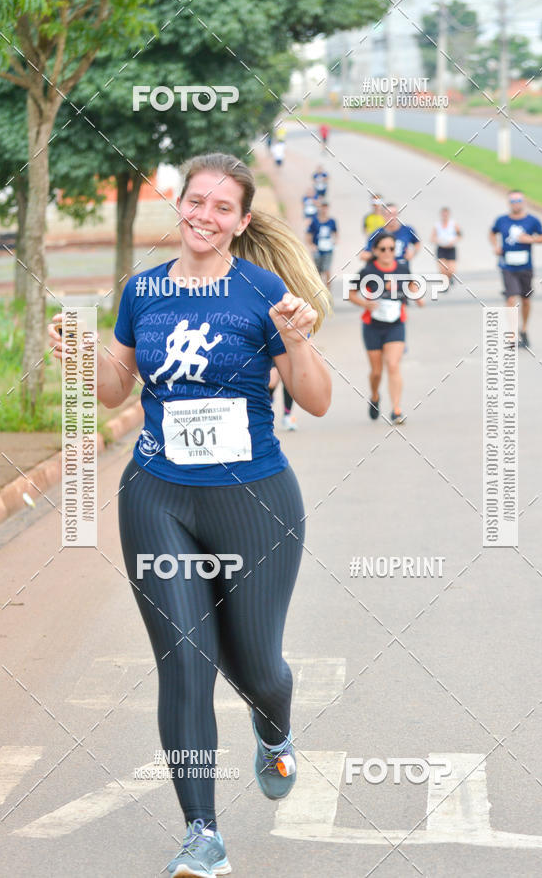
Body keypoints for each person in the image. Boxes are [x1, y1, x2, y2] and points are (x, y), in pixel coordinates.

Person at [48, 152, 332, 878]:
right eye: (195, 201)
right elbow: (116, 390)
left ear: (239, 223)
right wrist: (82, 357)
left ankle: (274, 729)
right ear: (180, 204)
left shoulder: (263, 291)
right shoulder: (142, 291)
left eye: (221, 208)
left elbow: (319, 398)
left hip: (253, 501)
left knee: (259, 667)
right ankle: (201, 833)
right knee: (185, 664)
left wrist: (296, 337)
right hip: (157, 494)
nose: (203, 215)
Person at [348, 231, 424, 424]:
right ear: (375, 251)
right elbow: (351, 294)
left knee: (392, 364)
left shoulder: (402, 267)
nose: (388, 252)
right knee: (376, 372)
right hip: (372, 326)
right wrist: (365, 304)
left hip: (396, 324)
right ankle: (374, 396)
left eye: (392, 248)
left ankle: (396, 410)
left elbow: (412, 285)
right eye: (383, 249)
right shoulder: (367, 271)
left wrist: (417, 296)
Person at [489, 190, 542, 348]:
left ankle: (524, 329)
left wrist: (531, 239)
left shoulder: (532, 221)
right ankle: (511, 334)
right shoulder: (502, 220)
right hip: (507, 265)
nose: (516, 204)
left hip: (525, 266)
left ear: (523, 202)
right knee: (510, 298)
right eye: (513, 201)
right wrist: (495, 246)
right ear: (509, 203)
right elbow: (492, 232)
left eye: (518, 200)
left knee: (526, 299)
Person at [360, 203, 420, 272]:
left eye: (394, 214)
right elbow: (364, 255)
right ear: (383, 216)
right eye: (389, 214)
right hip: (382, 272)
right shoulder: (377, 233)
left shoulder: (407, 230)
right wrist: (380, 253)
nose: (392, 217)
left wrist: (413, 251)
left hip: (402, 271)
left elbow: (417, 242)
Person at [306, 199, 338, 288]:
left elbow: (335, 232)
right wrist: (311, 245)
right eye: (322, 207)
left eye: (325, 207)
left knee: (327, 269)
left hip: (328, 248)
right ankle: (320, 289)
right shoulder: (314, 221)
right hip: (318, 248)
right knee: (318, 270)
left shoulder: (332, 221)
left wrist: (335, 241)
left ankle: (328, 290)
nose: (324, 209)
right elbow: (309, 234)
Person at [431, 206, 462, 286]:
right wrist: (437, 240)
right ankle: (445, 283)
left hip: (451, 248)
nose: (445, 216)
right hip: (441, 248)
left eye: (446, 214)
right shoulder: (437, 225)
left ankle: (449, 278)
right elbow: (432, 237)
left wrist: (454, 240)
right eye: (443, 214)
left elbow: (460, 235)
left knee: (451, 270)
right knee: (443, 269)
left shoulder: (453, 224)